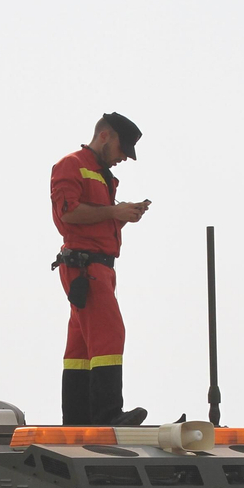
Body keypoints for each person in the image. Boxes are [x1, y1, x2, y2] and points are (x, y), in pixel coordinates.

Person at [49, 112, 150, 426]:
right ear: (105, 136)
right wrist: (114, 211)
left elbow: (94, 219)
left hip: (95, 268)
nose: (123, 158)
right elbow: (69, 214)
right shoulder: (72, 165)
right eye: (122, 149)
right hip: (86, 267)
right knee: (109, 334)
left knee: (81, 347)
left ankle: (78, 420)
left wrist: (122, 215)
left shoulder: (99, 173)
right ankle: (108, 416)